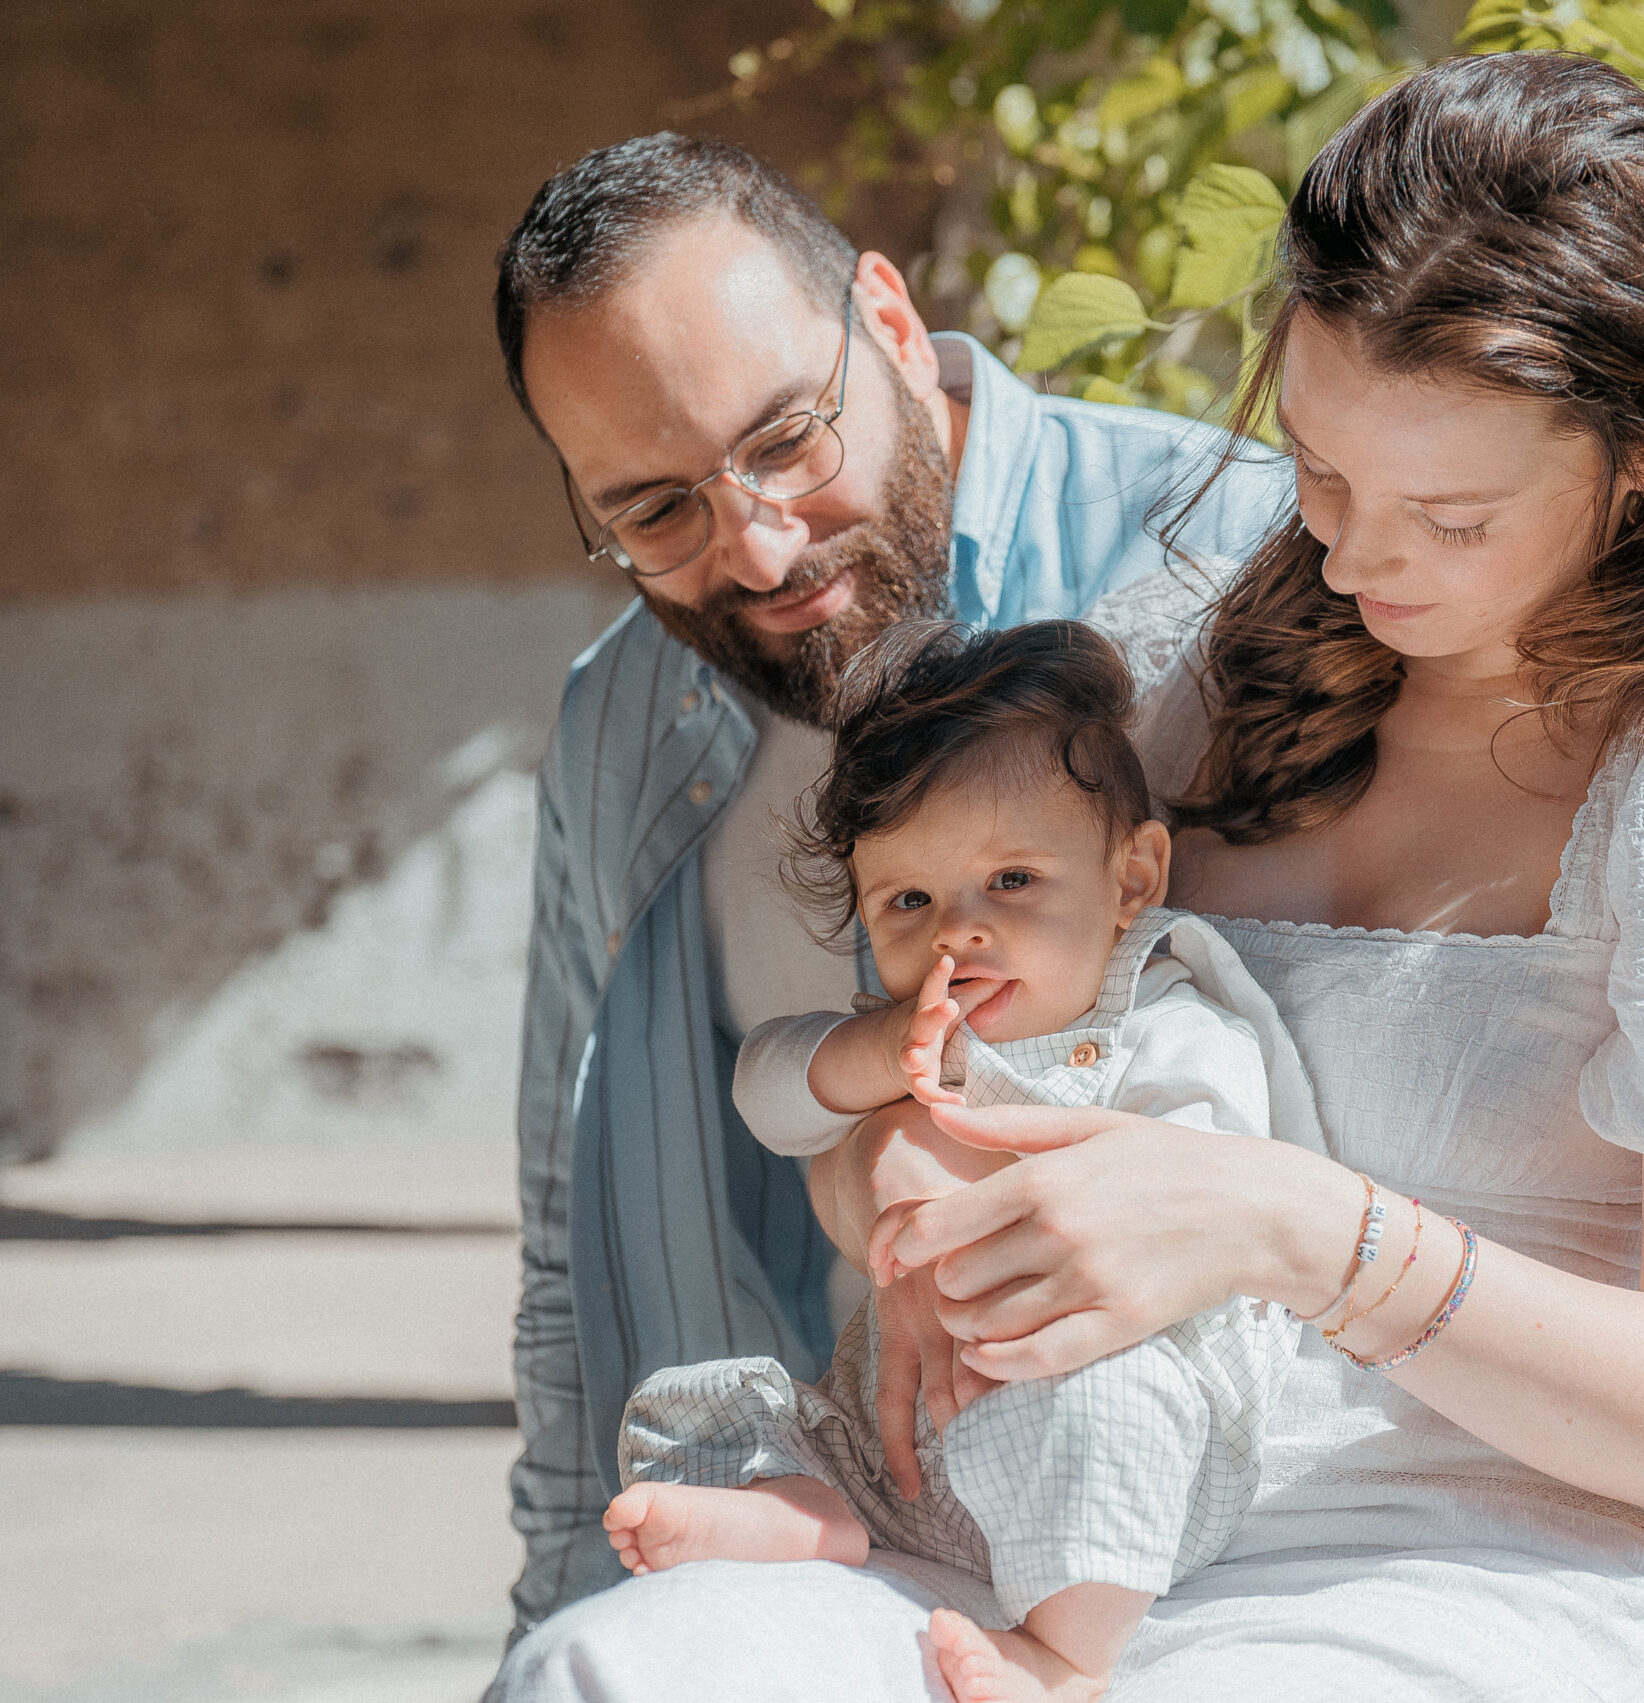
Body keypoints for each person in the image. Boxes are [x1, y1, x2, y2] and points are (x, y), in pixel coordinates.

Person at [490, 51, 1644, 1702]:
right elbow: (926, 1043)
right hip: (1022, 1536)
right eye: (1321, 470)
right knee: (616, 1671)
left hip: (1442, 1579)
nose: (1354, 553)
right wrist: (902, 1175)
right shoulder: (1194, 650)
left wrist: (1289, 1226)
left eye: (1450, 515)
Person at [493, 132, 1295, 1627]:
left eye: (788, 435)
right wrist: (552, 1609)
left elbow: (1469, 1031)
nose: (761, 543)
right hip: (765, 1577)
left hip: (1184, 1599)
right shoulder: (617, 722)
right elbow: (570, 1243)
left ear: (891, 317)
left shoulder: (1238, 559)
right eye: (654, 511)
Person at [602, 619, 1323, 1703]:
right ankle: (814, 1510)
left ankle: (1071, 1653)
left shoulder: (1170, 1023)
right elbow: (768, 1090)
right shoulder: (909, 1030)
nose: (959, 933)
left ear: (1131, 879)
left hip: (1107, 1404)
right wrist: (870, 1055)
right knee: (687, 1404)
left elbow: (1194, 1194)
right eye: (908, 901)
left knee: (1102, 1401)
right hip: (896, 1443)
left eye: (1014, 879)